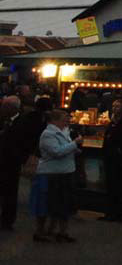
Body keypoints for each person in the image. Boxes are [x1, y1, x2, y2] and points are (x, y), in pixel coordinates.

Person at [32, 108, 82, 243]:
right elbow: (57, 152)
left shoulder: (64, 132)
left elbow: (64, 149)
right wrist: (74, 144)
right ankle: (41, 231)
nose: (68, 119)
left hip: (65, 172)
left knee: (63, 204)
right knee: (46, 204)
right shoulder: (48, 134)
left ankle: (60, 231)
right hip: (50, 173)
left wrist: (74, 149)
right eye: (65, 117)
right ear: (55, 120)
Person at [0, 95, 44, 231]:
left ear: (12, 108)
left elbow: (27, 142)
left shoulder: (23, 122)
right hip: (3, 160)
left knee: (10, 191)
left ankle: (7, 220)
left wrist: (22, 157)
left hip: (12, 162)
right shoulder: (4, 120)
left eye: (4, 106)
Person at [101, 100, 122, 222]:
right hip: (110, 157)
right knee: (110, 185)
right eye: (113, 106)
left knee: (117, 186)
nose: (114, 108)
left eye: (117, 106)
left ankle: (116, 212)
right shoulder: (112, 122)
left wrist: (120, 150)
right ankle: (109, 211)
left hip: (118, 159)